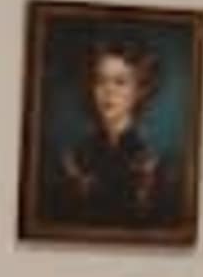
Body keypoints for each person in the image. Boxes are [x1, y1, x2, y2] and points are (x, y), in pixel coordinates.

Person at [40, 26, 185, 231]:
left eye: (120, 82)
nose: (108, 91)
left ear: (140, 90)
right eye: (100, 81)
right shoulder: (74, 157)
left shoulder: (155, 160)